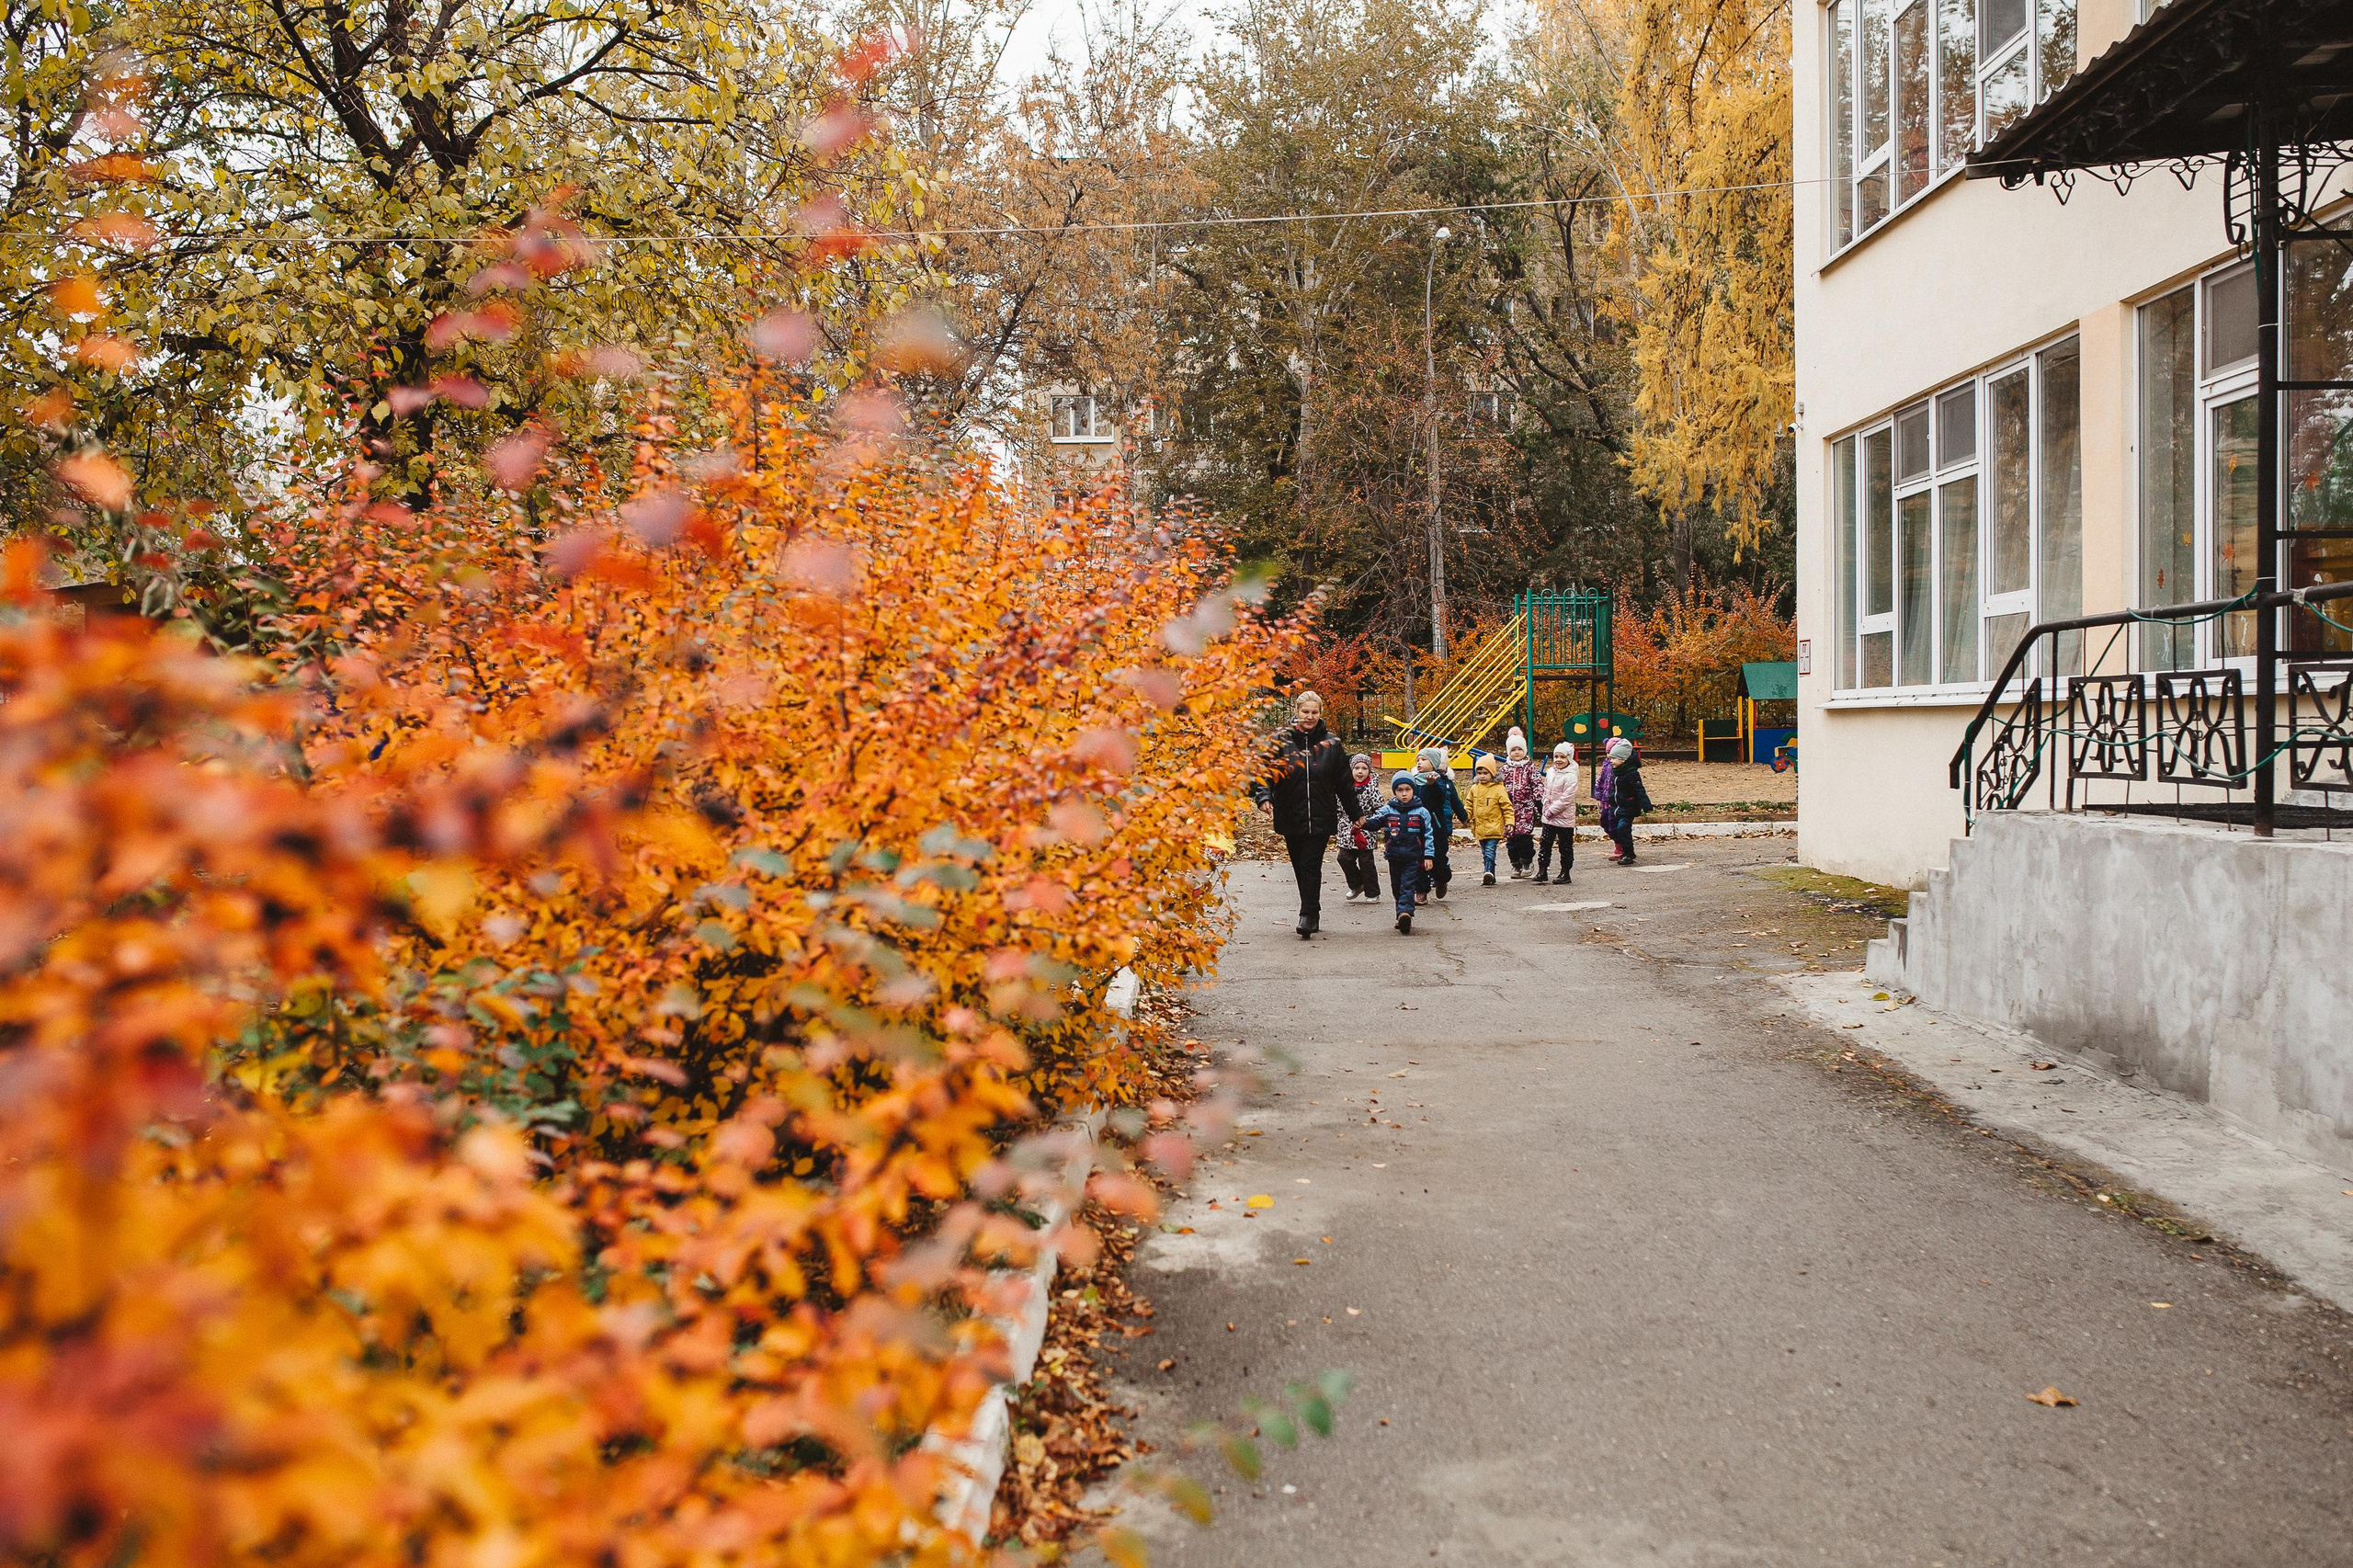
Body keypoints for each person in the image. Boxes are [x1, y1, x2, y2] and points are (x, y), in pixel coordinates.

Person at [1249, 689, 1361, 937]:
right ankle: (1312, 910)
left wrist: (1356, 813)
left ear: (1321, 713)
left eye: (1314, 712)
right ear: (1297, 712)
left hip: (1321, 813)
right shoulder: (1280, 741)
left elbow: (1344, 782)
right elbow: (1264, 774)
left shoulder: (1332, 743)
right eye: (1305, 711)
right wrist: (1264, 797)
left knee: (1311, 864)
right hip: (1291, 812)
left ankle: (1307, 915)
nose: (1309, 716)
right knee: (1300, 865)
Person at [1362, 770, 1436, 934]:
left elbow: (1428, 835)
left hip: (1413, 857)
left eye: (1407, 790)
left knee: (1407, 885)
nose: (1404, 794)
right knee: (1396, 887)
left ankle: (1405, 913)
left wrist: (1429, 855)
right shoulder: (1389, 810)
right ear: (1395, 791)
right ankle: (1400, 913)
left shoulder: (1421, 812)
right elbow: (1375, 822)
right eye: (1400, 790)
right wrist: (1363, 823)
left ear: (1413, 790)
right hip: (1394, 855)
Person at [1410, 746, 1467, 902]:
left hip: (1437, 827)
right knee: (1419, 858)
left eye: (1424, 760)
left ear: (1434, 764)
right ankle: (1421, 890)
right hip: (1417, 828)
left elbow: (1441, 798)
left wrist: (1431, 785)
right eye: (1418, 760)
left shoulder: (1441, 782)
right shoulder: (1414, 782)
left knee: (1439, 858)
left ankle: (1442, 879)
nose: (1419, 762)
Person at [1336, 753, 1385, 903]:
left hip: (1366, 831)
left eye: (1364, 768)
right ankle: (1357, 884)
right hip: (1346, 830)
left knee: (1367, 863)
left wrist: (1376, 823)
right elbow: (1337, 808)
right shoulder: (1344, 787)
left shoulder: (1372, 789)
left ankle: (1372, 892)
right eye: (1356, 768)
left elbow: (1380, 809)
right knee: (1343, 858)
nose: (1360, 772)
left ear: (1369, 771)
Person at [1595, 736, 1653, 864]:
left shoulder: (1631, 773)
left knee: (1623, 828)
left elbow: (1640, 790)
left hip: (1628, 807)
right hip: (1616, 807)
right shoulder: (1617, 771)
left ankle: (1629, 853)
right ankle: (1622, 850)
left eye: (1614, 758)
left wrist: (1646, 806)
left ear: (1623, 759)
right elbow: (1611, 788)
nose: (1611, 761)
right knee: (1615, 828)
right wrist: (1608, 799)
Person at [1535, 741, 1578, 885]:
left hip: (1564, 818)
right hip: (1549, 816)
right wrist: (1544, 804)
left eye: (1562, 757)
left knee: (1565, 846)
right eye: (1556, 757)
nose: (1558, 760)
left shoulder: (1571, 776)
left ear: (1569, 759)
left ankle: (1565, 872)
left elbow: (1566, 799)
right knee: (1545, 844)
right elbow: (1547, 790)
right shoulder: (1551, 772)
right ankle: (1542, 870)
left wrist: (1551, 810)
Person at [1499, 728, 1540, 878]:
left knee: (1524, 838)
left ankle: (1527, 861)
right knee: (1511, 839)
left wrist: (1538, 798)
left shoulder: (1529, 768)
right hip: (1509, 811)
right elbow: (1498, 786)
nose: (1517, 752)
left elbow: (1537, 784)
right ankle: (1515, 864)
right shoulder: (1504, 769)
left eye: (1519, 749)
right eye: (1513, 750)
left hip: (1525, 809)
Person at [1467, 756, 1513, 886]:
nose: (1482, 776)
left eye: (1485, 773)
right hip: (1480, 826)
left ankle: (1488, 871)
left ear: (1492, 773)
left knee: (1489, 850)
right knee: (1484, 851)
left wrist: (1510, 822)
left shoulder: (1499, 789)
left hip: (1494, 826)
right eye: (1479, 773)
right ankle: (1491, 874)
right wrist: (1466, 816)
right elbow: (1469, 804)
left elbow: (1507, 807)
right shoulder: (1475, 788)